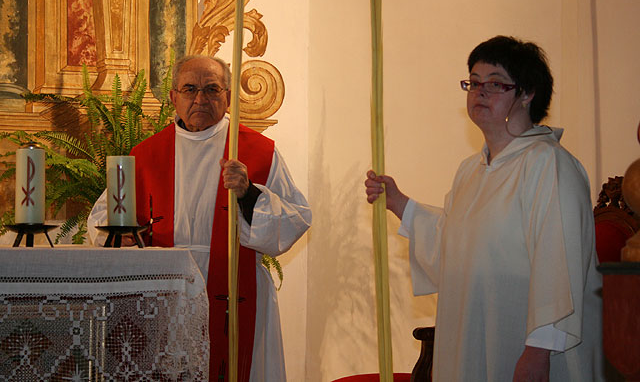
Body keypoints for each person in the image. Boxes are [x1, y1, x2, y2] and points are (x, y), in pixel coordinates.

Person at [365, 36, 603, 381]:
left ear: (527, 93)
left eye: (494, 84)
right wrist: (401, 204)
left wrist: (537, 353)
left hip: (532, 351)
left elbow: (560, 263)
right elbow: (455, 245)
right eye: (473, 83)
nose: (479, 92)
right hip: (472, 340)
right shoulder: (470, 170)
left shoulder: (549, 164)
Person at [88, 55, 311, 382]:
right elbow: (102, 218)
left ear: (228, 96)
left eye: (212, 90)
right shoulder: (144, 156)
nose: (200, 99)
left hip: (235, 291)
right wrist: (116, 238)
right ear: (173, 97)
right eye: (190, 89)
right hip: (164, 294)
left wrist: (249, 193)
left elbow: (295, 219)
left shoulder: (258, 151)